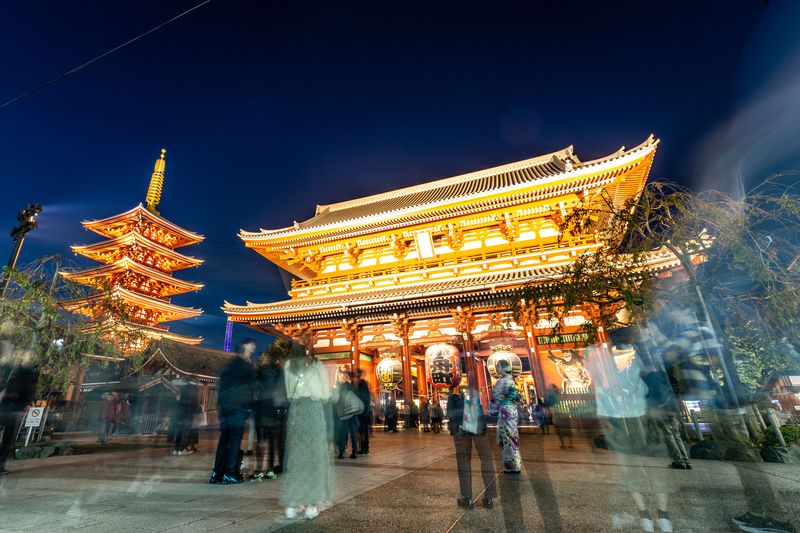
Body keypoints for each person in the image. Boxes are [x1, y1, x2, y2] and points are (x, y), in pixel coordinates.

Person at [281, 346, 333, 520]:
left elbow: (289, 392)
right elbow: (326, 392)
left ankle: (292, 505)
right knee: (315, 455)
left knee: (297, 456)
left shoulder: (289, 365)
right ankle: (311, 505)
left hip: (296, 410)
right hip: (314, 409)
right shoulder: (315, 364)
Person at [211, 339, 256, 485]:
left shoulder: (229, 365)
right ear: (244, 348)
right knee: (235, 440)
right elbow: (250, 388)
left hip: (225, 407)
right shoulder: (245, 366)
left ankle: (216, 473)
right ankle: (229, 473)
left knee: (224, 440)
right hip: (238, 407)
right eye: (251, 345)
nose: (253, 347)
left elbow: (223, 386)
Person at [448, 387, 497, 509]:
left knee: (463, 461)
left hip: (461, 427)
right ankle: (489, 497)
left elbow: (450, 413)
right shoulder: (479, 389)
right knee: (486, 460)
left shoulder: (454, 396)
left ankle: (467, 498)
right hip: (478, 424)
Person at [641, 364, 691, 469]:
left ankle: (679, 461)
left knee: (668, 435)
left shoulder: (649, 379)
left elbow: (648, 395)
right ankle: (686, 461)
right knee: (676, 435)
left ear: (649, 367)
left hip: (661, 409)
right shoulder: (665, 376)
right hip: (672, 408)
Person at [0, 340, 36, 476]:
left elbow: (26, 389)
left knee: (7, 438)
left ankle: (1, 464)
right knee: (7, 437)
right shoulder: (15, 370)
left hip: (11, 407)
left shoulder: (18, 370)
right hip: (9, 407)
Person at [251, 350, 288, 480]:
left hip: (261, 409)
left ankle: (258, 470)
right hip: (273, 410)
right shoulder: (279, 374)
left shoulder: (259, 373)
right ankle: (270, 469)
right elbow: (283, 392)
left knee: (261, 440)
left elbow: (254, 390)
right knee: (272, 440)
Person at [489, 359, 522, 473]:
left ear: (503, 368)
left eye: (498, 367)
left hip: (505, 411)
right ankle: (516, 464)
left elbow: (497, 397)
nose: (497, 369)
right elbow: (517, 398)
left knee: (506, 437)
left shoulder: (501, 381)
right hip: (512, 410)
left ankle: (510, 466)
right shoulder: (512, 380)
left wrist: (492, 410)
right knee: (513, 437)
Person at [336, 372, 362, 459]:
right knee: (353, 432)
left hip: (345, 413)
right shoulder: (353, 387)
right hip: (353, 413)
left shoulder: (342, 387)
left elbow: (339, 399)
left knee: (343, 433)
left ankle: (341, 453)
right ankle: (354, 452)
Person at [546, 384, 573, 449]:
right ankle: (563, 444)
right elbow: (550, 406)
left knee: (567, 430)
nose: (550, 390)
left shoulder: (559, 395)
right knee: (559, 430)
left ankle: (570, 443)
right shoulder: (552, 396)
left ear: (555, 388)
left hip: (563, 414)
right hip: (558, 414)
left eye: (551, 388)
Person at [352, 370, 372, 455]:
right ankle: (364, 448)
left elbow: (361, 397)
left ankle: (364, 449)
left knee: (362, 432)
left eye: (355, 377)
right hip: (364, 412)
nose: (354, 379)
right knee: (362, 432)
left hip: (363, 413)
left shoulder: (362, 385)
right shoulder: (363, 385)